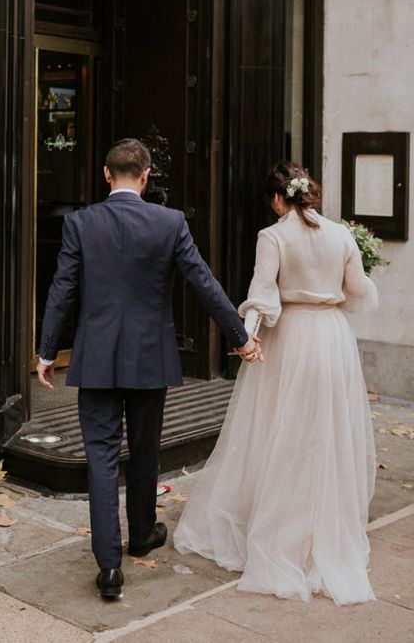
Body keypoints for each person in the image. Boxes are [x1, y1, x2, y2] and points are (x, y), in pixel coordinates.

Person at [36, 138, 260, 600]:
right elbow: (204, 282)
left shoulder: (80, 223)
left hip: (95, 357)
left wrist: (45, 352)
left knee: (99, 458)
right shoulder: (169, 222)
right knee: (144, 450)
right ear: (145, 176)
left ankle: (109, 567)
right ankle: (141, 534)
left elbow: (62, 289)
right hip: (149, 358)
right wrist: (241, 337)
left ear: (105, 173)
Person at [173, 160, 378, 606]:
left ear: (276, 199)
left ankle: (278, 531)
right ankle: (320, 530)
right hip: (333, 339)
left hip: (292, 340)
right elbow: (359, 291)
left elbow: (263, 296)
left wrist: (245, 337)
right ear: (312, 194)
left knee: (278, 429)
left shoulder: (274, 236)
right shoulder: (342, 235)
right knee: (324, 431)